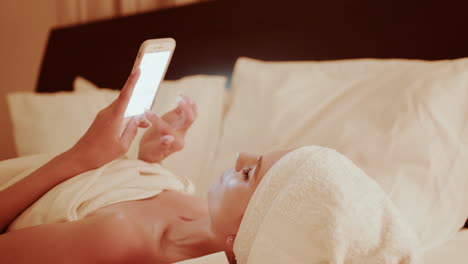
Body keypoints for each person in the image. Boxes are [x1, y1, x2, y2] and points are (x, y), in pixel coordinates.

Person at [0, 70, 292, 264]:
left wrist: (79, 157)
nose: (240, 156)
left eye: (248, 173)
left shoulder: (118, 240)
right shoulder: (205, 213)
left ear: (244, 232)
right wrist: (148, 162)